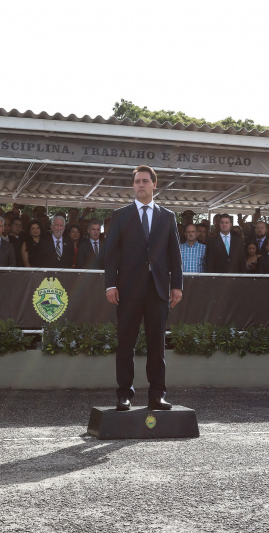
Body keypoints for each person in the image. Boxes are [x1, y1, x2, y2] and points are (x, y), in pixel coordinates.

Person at [105, 165, 182, 411]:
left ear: (154, 185)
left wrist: (177, 286)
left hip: (158, 290)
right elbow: (111, 254)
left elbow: (175, 255)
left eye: (145, 181)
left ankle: (157, 395)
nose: (140, 185)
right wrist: (110, 284)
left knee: (156, 345)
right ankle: (124, 394)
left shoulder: (167, 217)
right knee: (126, 343)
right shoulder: (120, 215)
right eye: (137, 181)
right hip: (128, 289)